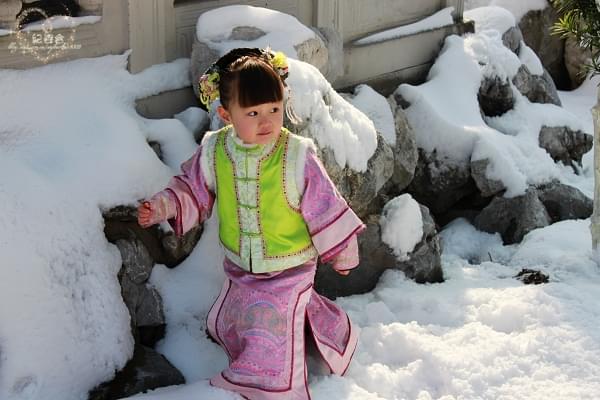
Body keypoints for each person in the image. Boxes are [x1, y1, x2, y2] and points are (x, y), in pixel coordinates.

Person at [138, 47, 365, 400]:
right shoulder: (216, 151)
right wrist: (164, 206)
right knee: (244, 317)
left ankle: (265, 383)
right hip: (241, 265)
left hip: (290, 265)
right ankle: (334, 330)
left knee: (271, 327)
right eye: (253, 112)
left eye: (274, 109)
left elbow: (325, 203)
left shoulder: (295, 155)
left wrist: (343, 251)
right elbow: (191, 187)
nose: (267, 121)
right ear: (227, 115)